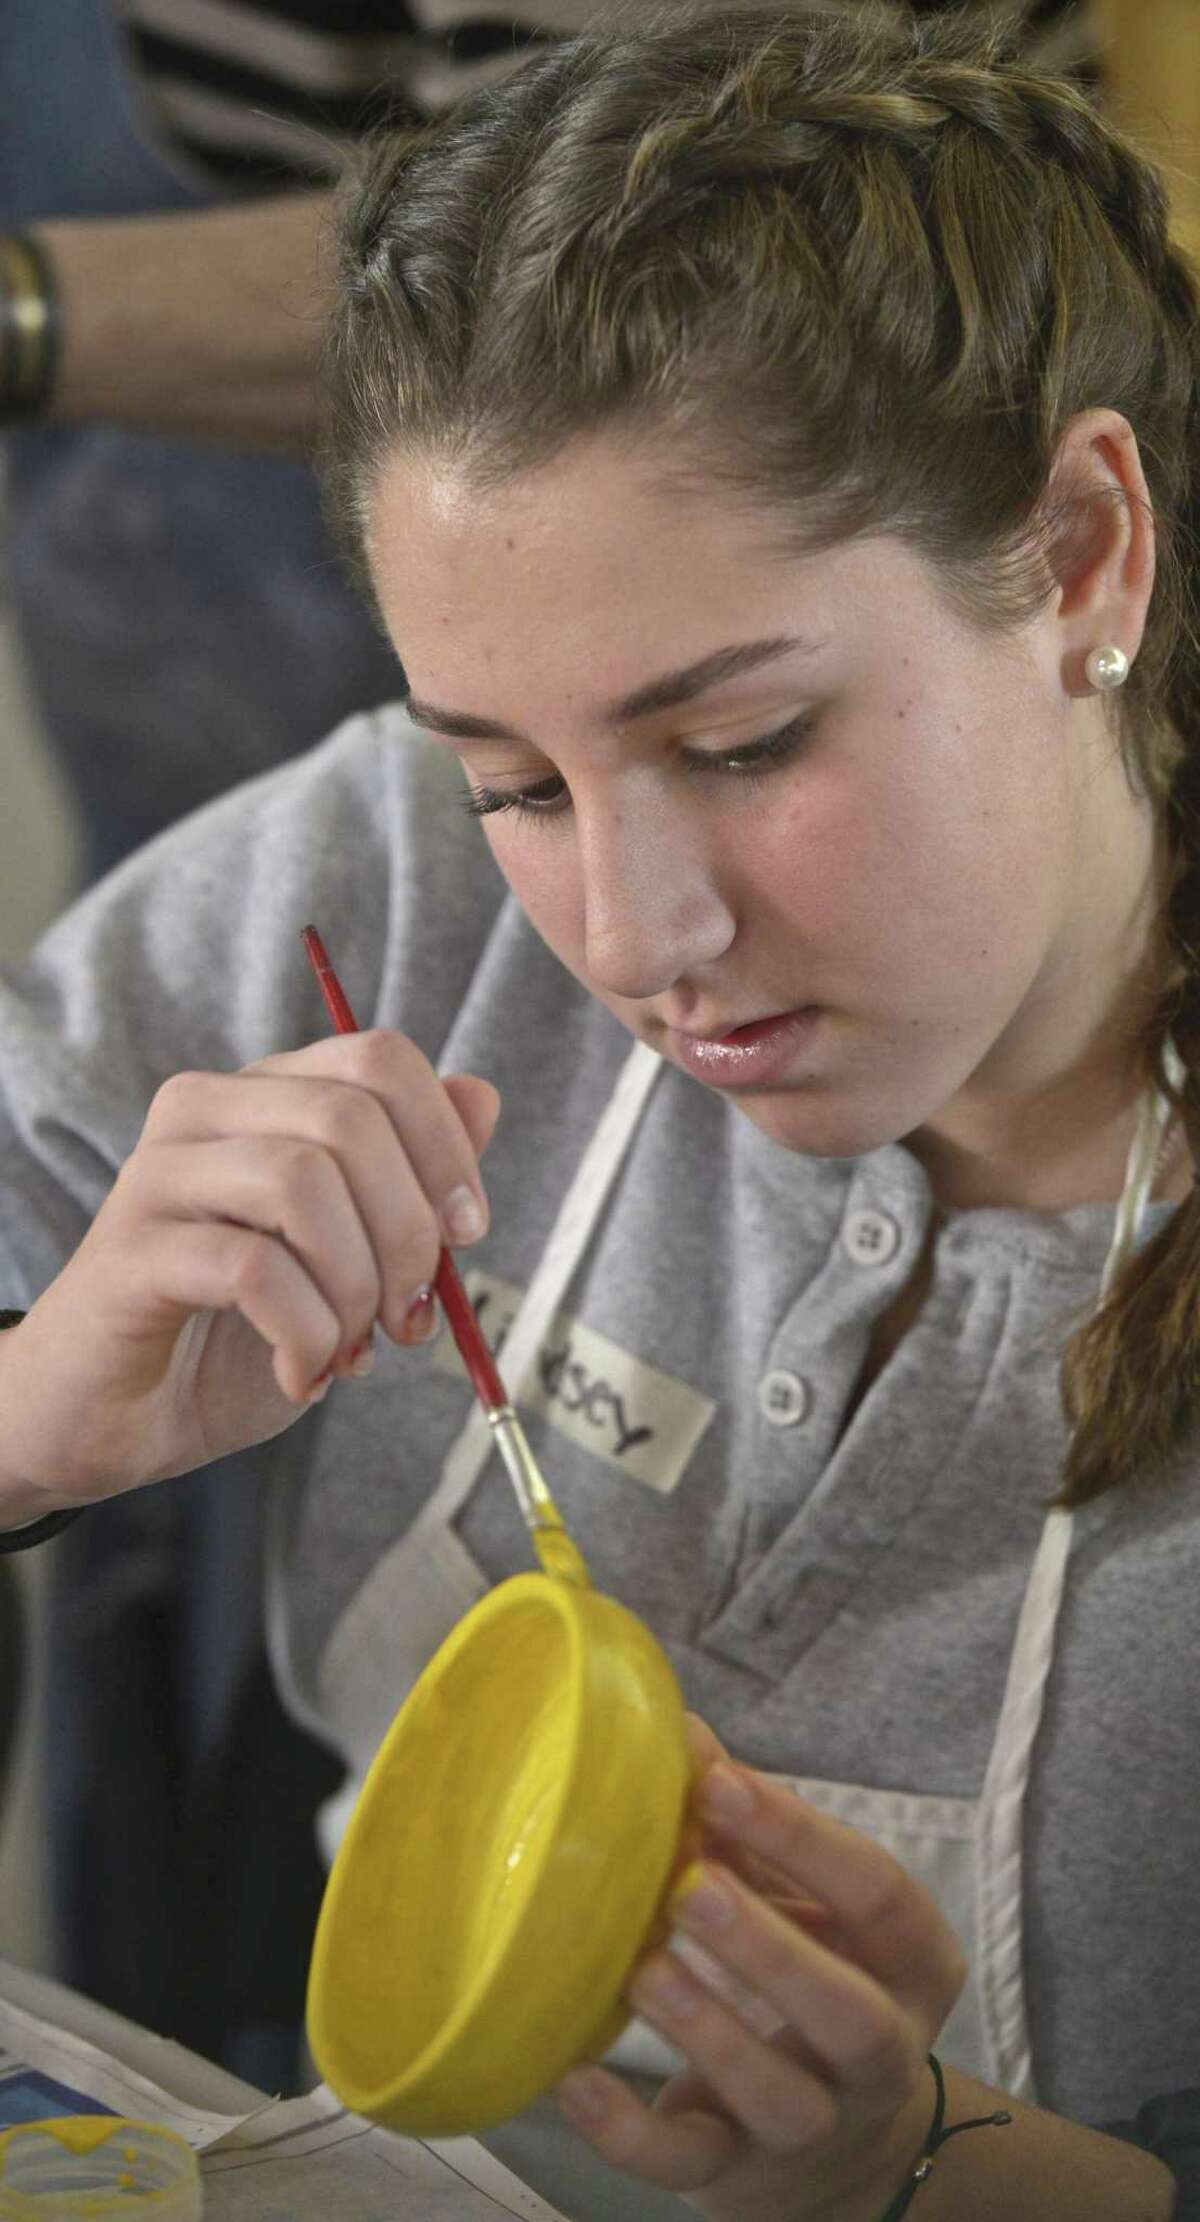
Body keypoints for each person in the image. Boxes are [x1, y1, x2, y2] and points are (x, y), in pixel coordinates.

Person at [0, 2, 1197, 2213]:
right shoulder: (383, 893)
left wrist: (937, 2168)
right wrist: (27, 1417)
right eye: (518, 777)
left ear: (1084, 553)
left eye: (744, 743)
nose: (632, 935)